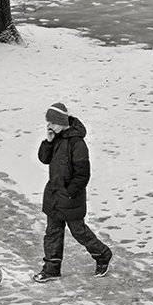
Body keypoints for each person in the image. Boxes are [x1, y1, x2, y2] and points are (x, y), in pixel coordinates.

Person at [33, 100, 112, 282]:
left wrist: (69, 192)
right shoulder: (56, 138)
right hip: (54, 196)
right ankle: (51, 269)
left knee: (79, 231)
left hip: (70, 198)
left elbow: (82, 175)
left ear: (61, 121)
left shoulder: (77, 144)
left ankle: (102, 255)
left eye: (52, 122)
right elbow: (44, 159)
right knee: (53, 232)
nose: (49, 125)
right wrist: (48, 141)